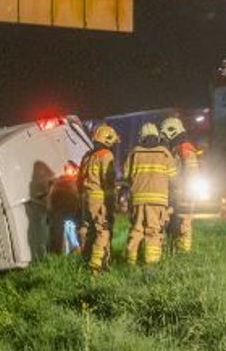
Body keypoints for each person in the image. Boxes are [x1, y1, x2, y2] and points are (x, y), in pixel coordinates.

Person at [124, 123, 177, 265]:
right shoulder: (165, 153)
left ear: (141, 137)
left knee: (136, 230)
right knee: (153, 231)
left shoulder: (134, 153)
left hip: (138, 199)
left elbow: (126, 176)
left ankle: (130, 262)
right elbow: (174, 179)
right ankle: (151, 265)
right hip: (158, 201)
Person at [77, 123, 119, 272]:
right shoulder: (106, 155)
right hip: (99, 199)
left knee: (86, 229)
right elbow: (108, 181)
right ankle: (97, 266)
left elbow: (79, 180)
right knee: (103, 230)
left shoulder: (87, 156)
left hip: (85, 198)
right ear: (108, 140)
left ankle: (85, 259)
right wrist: (112, 203)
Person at [160, 116, 200, 253]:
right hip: (177, 193)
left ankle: (183, 253)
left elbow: (192, 174)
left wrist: (187, 195)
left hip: (184, 195)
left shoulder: (185, 150)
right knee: (173, 224)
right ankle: (173, 250)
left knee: (183, 225)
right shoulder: (175, 149)